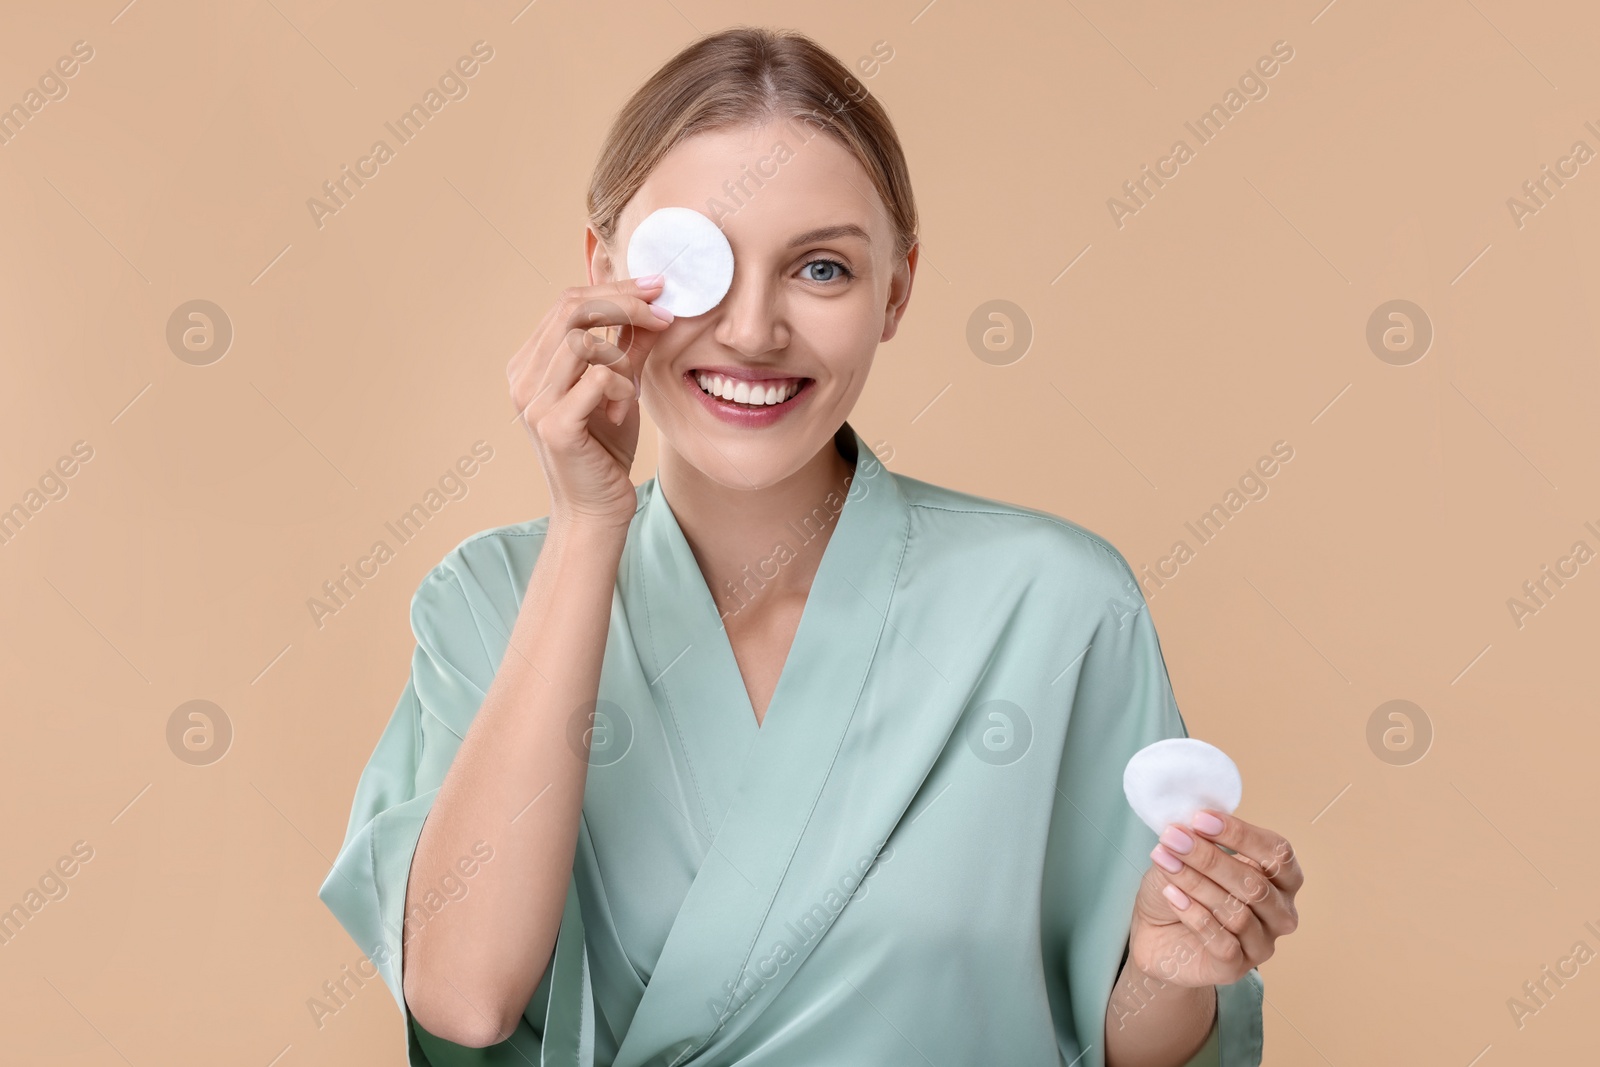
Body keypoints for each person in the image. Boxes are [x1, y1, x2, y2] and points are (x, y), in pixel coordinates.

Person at [319, 25, 1302, 1067]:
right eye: (694, 262)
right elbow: (462, 998)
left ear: (897, 289)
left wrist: (1167, 962)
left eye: (820, 268)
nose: (750, 329)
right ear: (602, 268)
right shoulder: (486, 600)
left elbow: (1130, 1041)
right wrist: (586, 523)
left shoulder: (1055, 605)